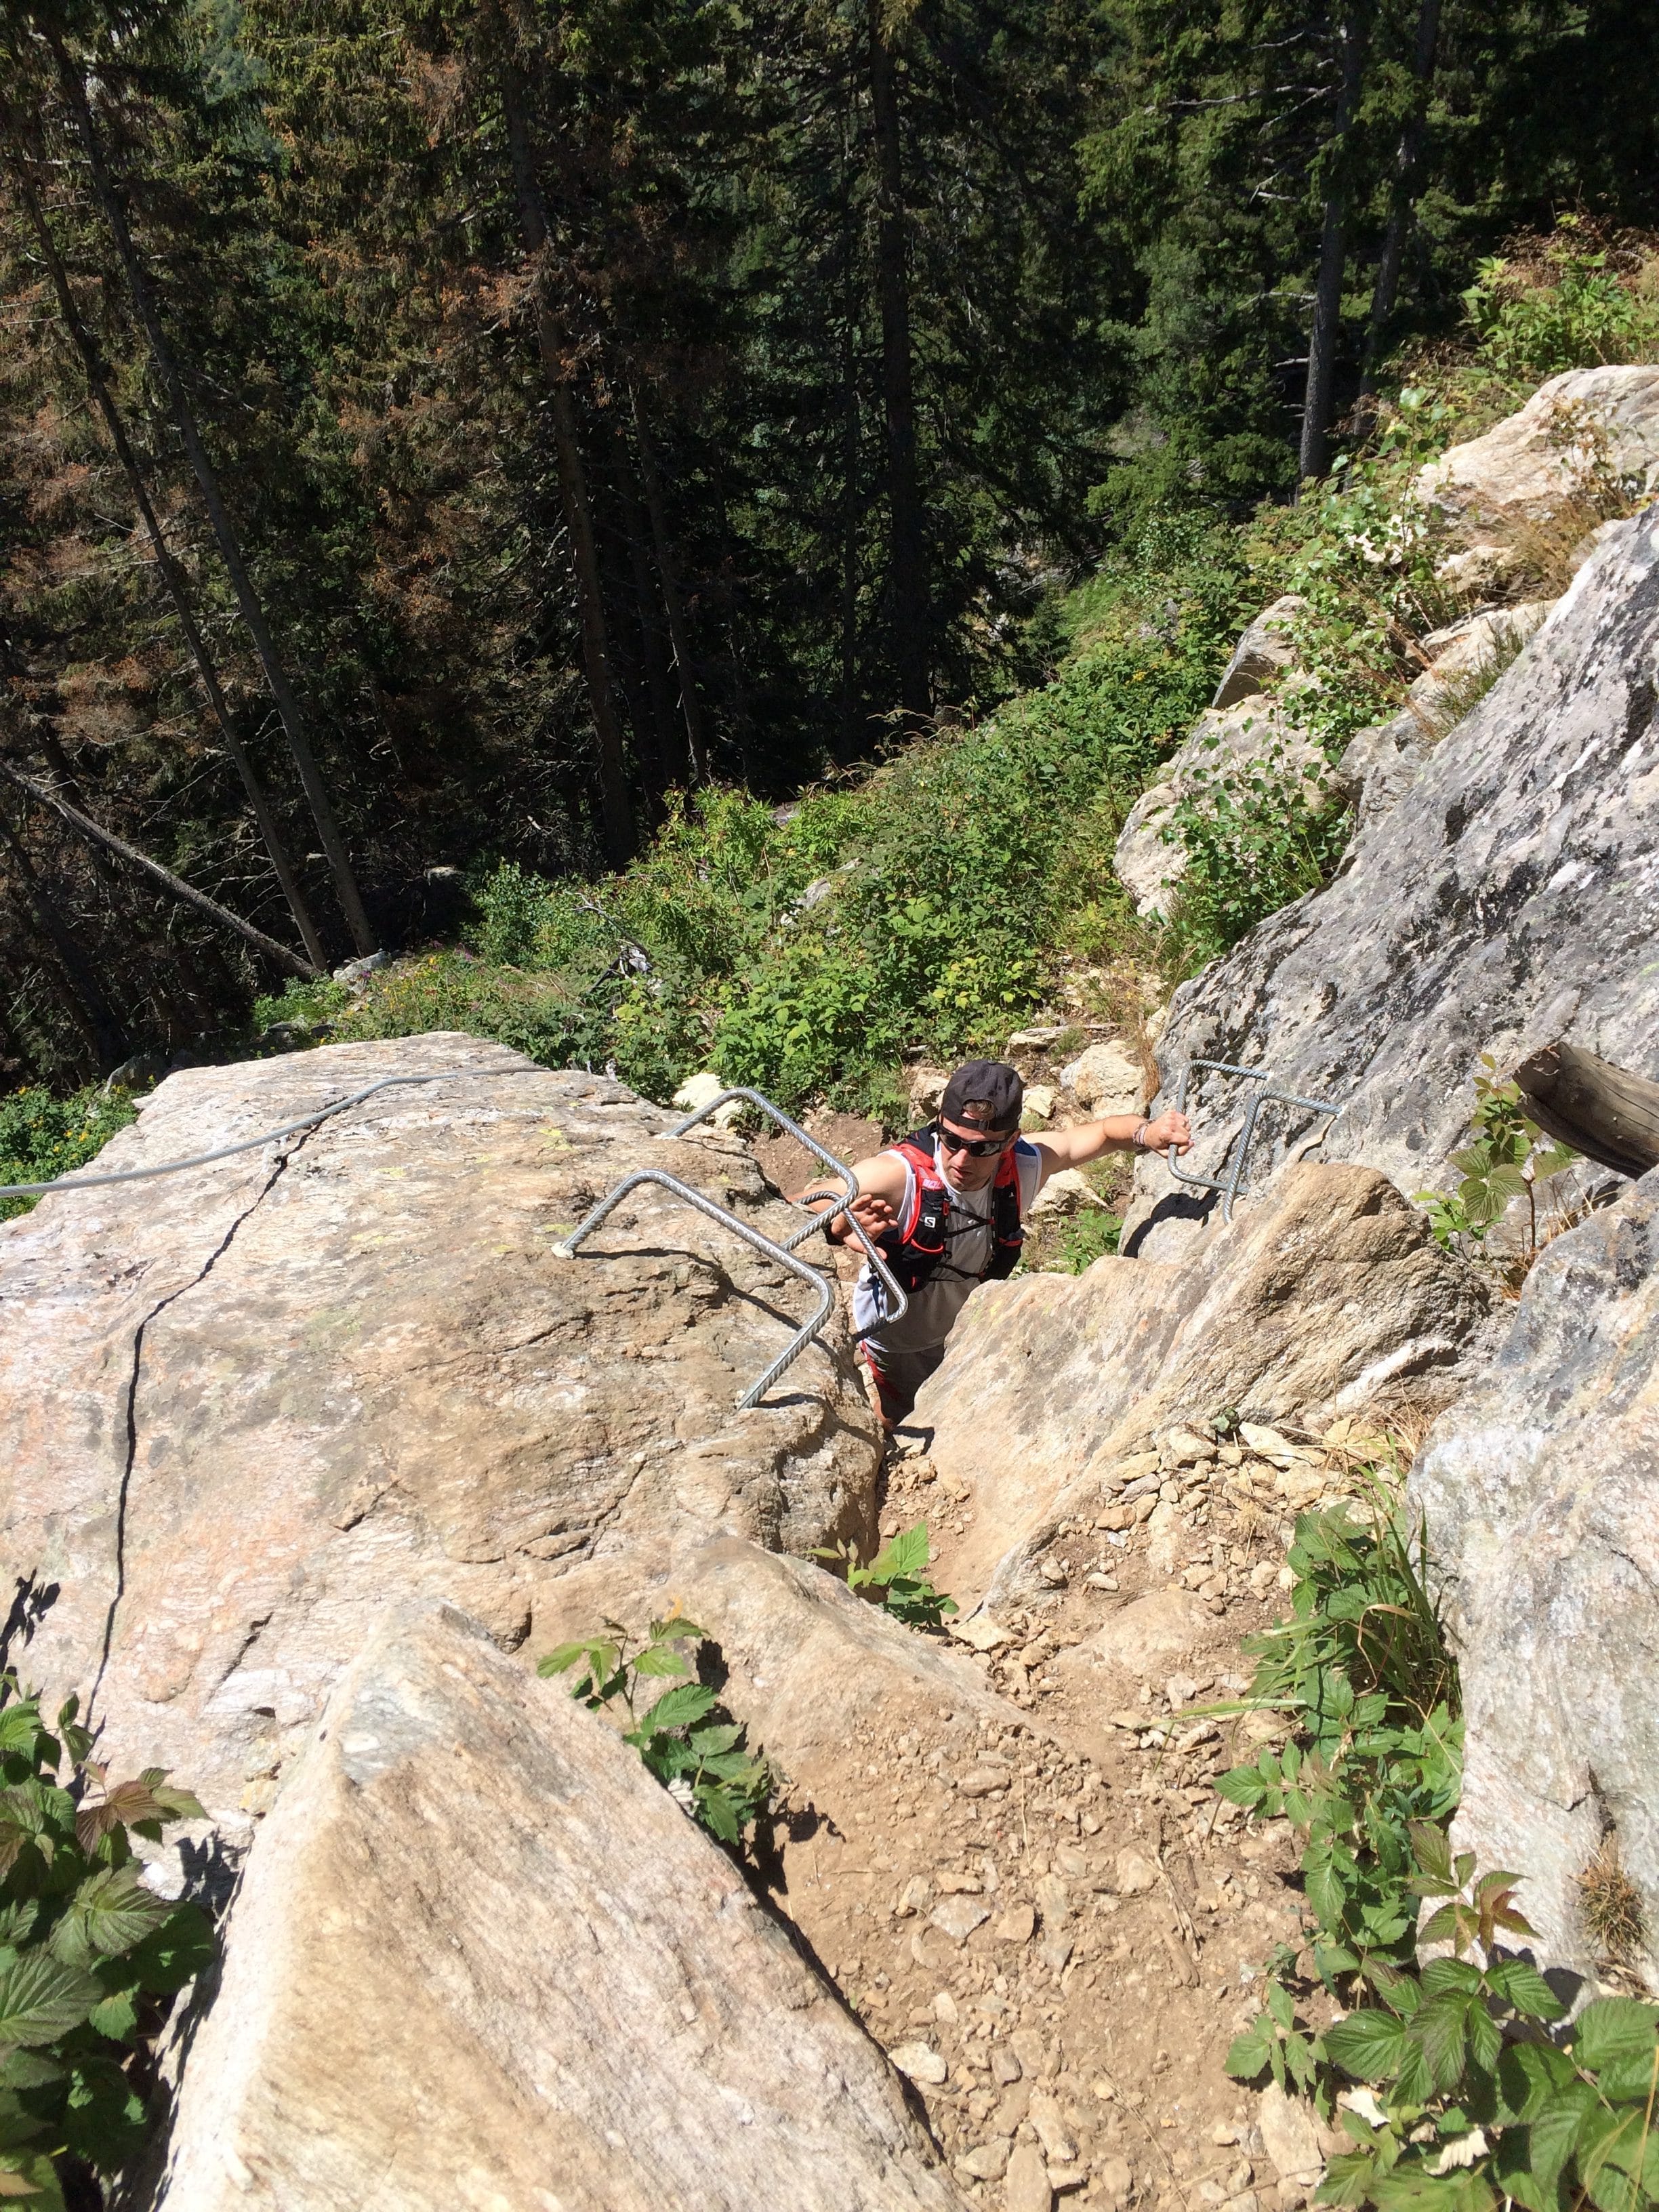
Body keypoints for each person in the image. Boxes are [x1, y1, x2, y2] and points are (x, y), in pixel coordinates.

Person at [801, 1059, 1191, 1430]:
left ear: (1010, 1142)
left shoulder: (1025, 1164)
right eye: (951, 1140)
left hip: (972, 1331)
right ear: (939, 1125)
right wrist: (837, 1226)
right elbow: (811, 1196)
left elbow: (1102, 1134)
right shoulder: (899, 1174)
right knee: (901, 1412)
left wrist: (1148, 1132)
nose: (962, 1159)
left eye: (983, 1147)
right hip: (900, 1338)